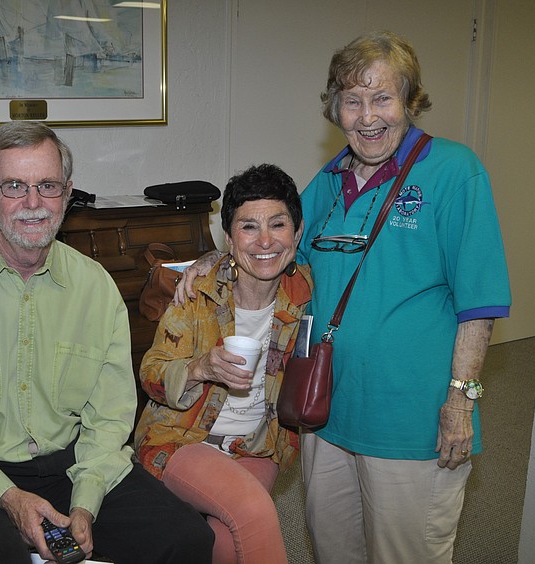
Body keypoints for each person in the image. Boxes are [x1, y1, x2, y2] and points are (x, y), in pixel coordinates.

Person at [177, 31, 511, 564]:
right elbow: (276, 244)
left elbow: (480, 304)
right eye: (353, 101)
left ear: (410, 101)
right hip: (325, 410)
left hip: (410, 416)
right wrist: (218, 258)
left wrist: (460, 402)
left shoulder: (453, 171)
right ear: (336, 110)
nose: (368, 115)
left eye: (383, 98)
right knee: (333, 549)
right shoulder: (329, 181)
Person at [0, 121, 213, 564]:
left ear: (66, 195)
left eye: (47, 186)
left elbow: (108, 418)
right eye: (14, 187)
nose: (32, 203)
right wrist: (8, 497)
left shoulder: (96, 287)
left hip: (70, 462)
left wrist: (85, 502)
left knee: (186, 539)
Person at [135, 164, 312, 564]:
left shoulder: (307, 292)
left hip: (258, 445)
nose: (265, 240)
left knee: (223, 541)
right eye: (248, 227)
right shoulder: (196, 291)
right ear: (230, 238)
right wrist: (200, 368)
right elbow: (150, 374)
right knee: (253, 511)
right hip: (181, 439)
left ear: (297, 233)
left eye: (278, 224)